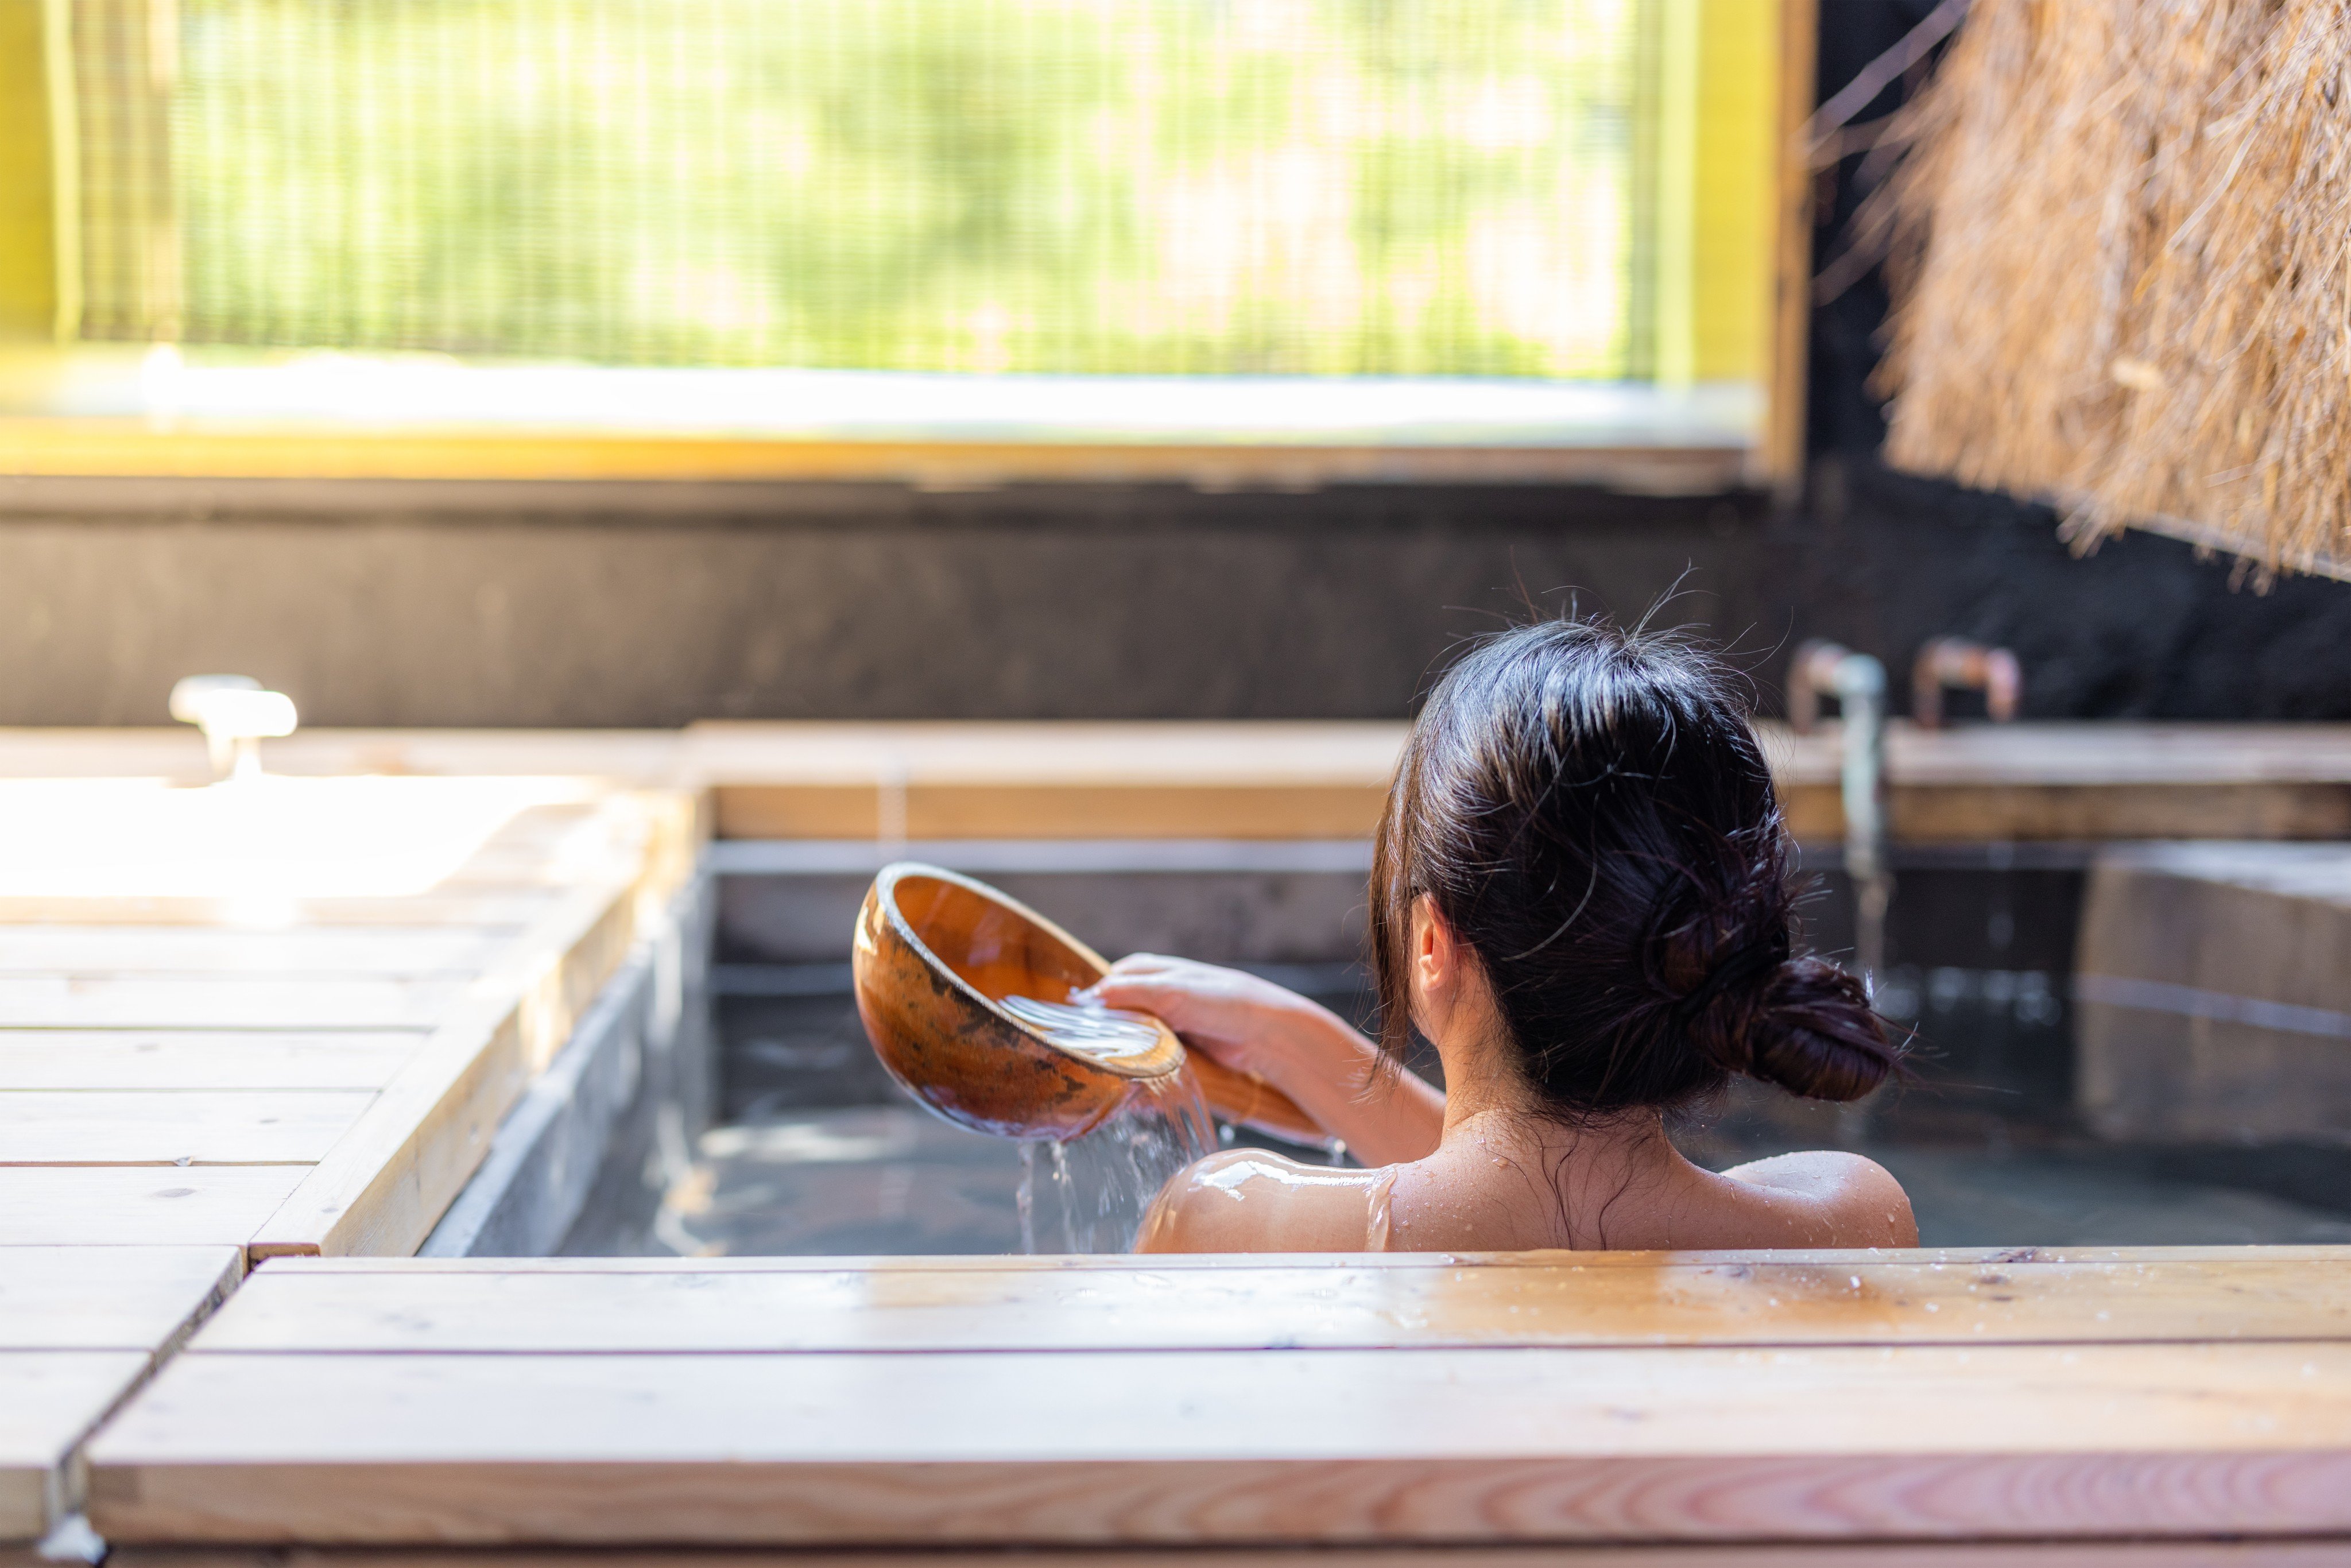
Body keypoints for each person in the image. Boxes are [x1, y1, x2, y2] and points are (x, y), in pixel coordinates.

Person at [1090, 617, 1916, 1253]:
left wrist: (1295, 1039)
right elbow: (1549, 1195)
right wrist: (1294, 1044)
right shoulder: (1851, 1224)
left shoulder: (1224, 1223)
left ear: (1429, 944)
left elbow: (1494, 1194)